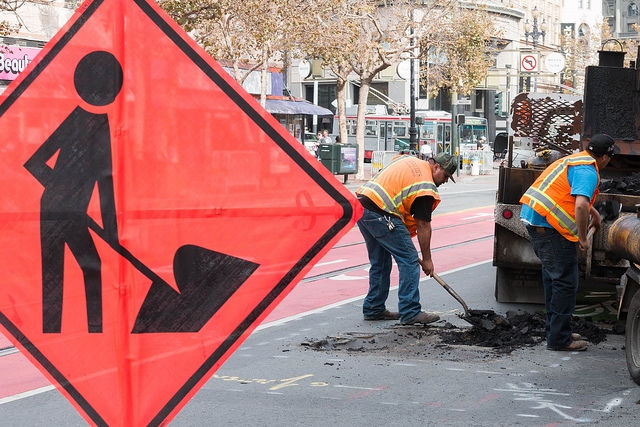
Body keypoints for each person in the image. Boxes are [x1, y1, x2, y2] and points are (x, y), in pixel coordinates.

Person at [519, 134, 619, 351]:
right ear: (604, 157)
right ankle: (559, 339)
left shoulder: (574, 160)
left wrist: (595, 214)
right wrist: (583, 238)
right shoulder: (588, 170)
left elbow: (573, 196)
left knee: (553, 279)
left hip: (537, 220)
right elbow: (580, 205)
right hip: (550, 228)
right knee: (565, 282)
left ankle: (556, 331)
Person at [356, 153, 457, 325]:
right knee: (409, 261)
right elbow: (423, 226)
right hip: (382, 213)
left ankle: (374, 308)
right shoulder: (425, 187)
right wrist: (427, 260)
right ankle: (410, 311)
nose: (445, 180)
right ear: (436, 167)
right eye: (446, 176)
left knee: (380, 261)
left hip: (362, 206)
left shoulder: (410, 161)